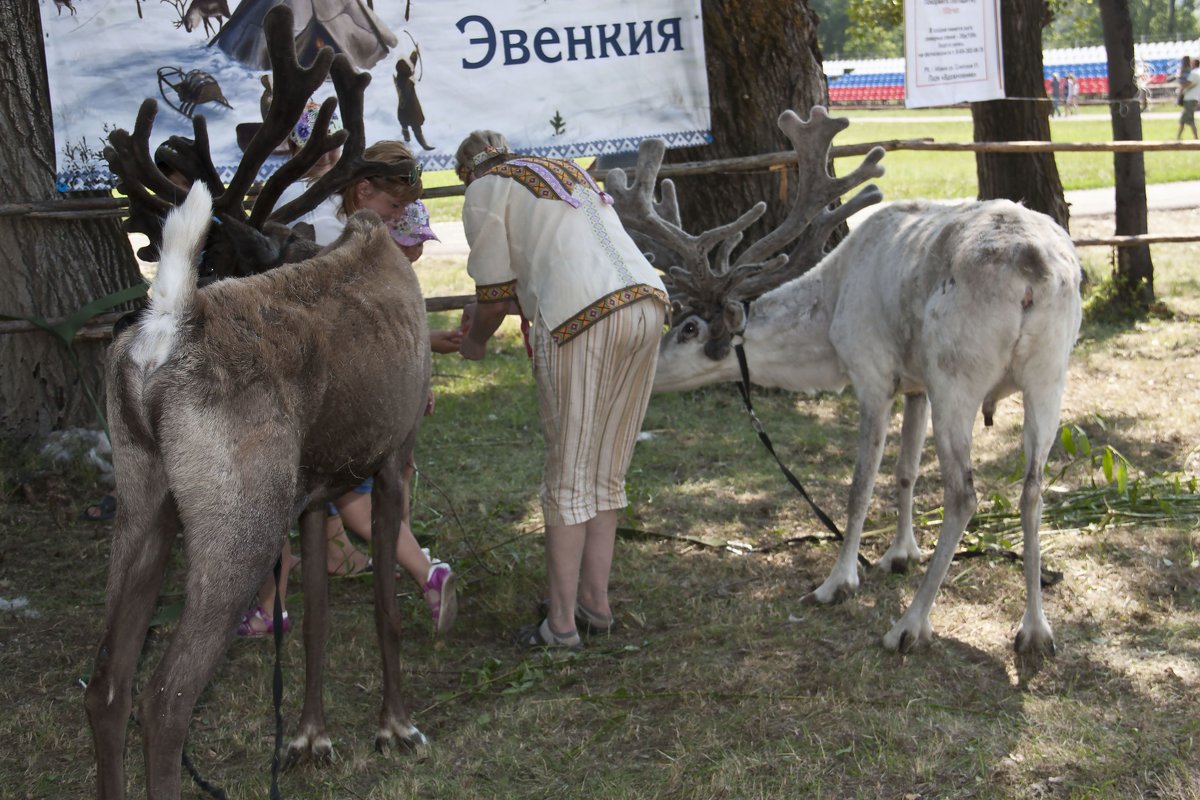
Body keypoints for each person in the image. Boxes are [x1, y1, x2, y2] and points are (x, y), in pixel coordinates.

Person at [453, 131, 669, 650]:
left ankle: (563, 624)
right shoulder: (564, 169)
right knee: (607, 469)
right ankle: (595, 602)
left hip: (577, 317)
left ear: (466, 172)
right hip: (648, 301)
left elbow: (494, 295)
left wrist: (474, 343)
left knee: (569, 477)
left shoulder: (484, 190)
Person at [294, 138, 460, 634]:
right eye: (393, 207)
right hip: (344, 375)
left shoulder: (352, 229)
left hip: (346, 381)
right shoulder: (330, 232)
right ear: (363, 189)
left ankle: (420, 570)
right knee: (355, 491)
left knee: (351, 494)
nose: (396, 218)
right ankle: (418, 568)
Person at [1178, 56, 1199, 140]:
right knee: (1183, 119)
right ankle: (1178, 137)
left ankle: (1196, 138)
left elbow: (1187, 84)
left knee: (1190, 119)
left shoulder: (1194, 73)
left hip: (1190, 98)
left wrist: (1181, 90)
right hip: (1193, 98)